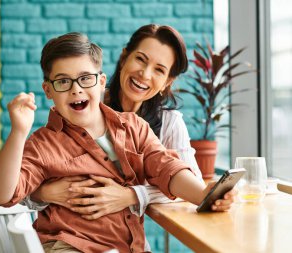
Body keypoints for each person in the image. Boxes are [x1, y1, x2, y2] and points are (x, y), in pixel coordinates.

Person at [0, 32, 234, 253]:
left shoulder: (135, 127)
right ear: (48, 90)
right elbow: (1, 196)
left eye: (85, 78)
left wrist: (204, 194)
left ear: (102, 81)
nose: (76, 89)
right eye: (63, 81)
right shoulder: (43, 143)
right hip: (67, 245)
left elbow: (166, 168)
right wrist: (18, 132)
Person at [23, 24, 208, 219]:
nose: (145, 74)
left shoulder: (168, 123)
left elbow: (194, 186)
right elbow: (36, 170)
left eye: (159, 70)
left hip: (126, 238)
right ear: (124, 57)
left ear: (167, 82)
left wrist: (131, 195)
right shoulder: (85, 105)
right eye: (140, 59)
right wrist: (43, 192)